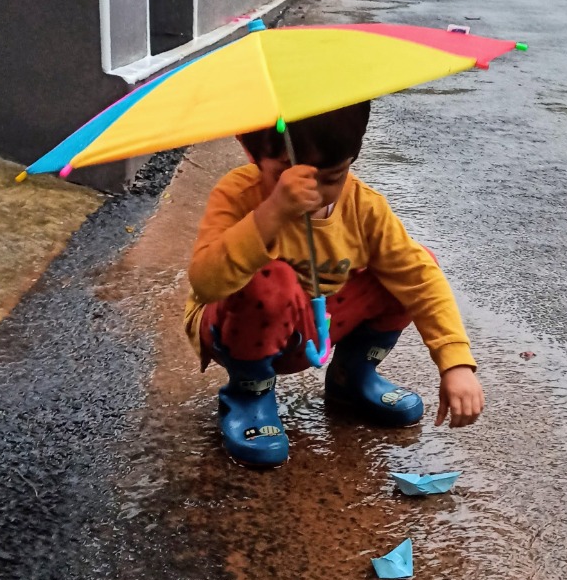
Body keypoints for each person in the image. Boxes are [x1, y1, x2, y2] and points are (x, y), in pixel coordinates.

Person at [184, 100, 484, 467]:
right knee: (271, 277)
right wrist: (273, 212)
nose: (316, 195)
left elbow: (421, 279)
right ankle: (249, 395)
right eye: (288, 176)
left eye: (332, 178)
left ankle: (352, 377)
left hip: (318, 325)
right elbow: (206, 283)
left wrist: (455, 363)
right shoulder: (238, 194)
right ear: (253, 151)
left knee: (413, 265)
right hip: (238, 329)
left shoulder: (363, 206)